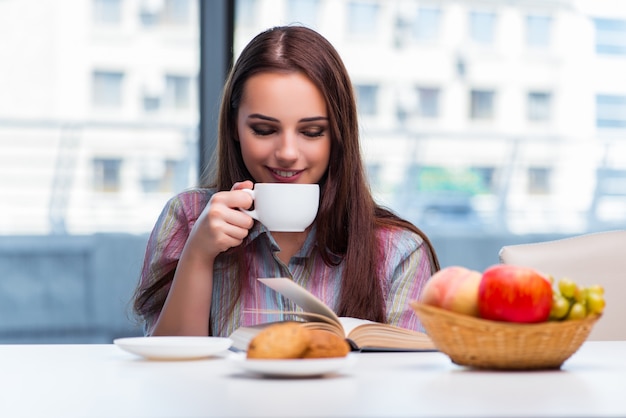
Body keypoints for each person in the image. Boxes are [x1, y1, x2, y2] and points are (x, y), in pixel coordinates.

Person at [132, 25, 440, 338]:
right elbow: (168, 373)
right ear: (234, 129)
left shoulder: (398, 251)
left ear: (338, 135)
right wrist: (198, 254)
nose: (288, 153)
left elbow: (405, 382)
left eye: (311, 132)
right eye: (264, 130)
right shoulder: (188, 219)